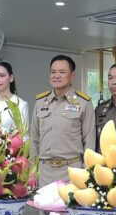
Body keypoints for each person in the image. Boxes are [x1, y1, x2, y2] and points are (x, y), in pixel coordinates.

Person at [30, 55, 96, 187]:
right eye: (53, 72)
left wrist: (87, 172)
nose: (56, 76)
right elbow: (34, 139)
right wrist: (32, 170)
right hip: (45, 172)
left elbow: (89, 141)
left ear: (72, 75)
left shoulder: (84, 103)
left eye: (62, 72)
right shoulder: (41, 102)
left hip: (72, 171)